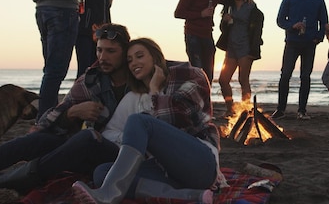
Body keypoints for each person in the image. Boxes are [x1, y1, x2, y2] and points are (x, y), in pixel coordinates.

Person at [0, 24, 132, 193]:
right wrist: (71, 113)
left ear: (126, 52)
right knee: (34, 141)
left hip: (119, 154)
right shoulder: (91, 80)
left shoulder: (141, 79)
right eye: (99, 50)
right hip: (81, 151)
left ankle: (7, 181)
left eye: (111, 51)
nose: (103, 57)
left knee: (87, 137)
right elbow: (48, 120)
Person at [72, 38, 223, 204]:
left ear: (155, 57)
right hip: (163, 169)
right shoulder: (133, 98)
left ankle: (109, 194)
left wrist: (154, 92)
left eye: (139, 56)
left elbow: (175, 118)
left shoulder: (191, 75)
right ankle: (191, 196)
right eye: (129, 60)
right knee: (102, 172)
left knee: (140, 121)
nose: (134, 63)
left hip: (198, 163)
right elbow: (109, 133)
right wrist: (136, 140)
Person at [272, 0, 329, 120]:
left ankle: (302, 111)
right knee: (285, 75)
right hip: (292, 42)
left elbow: (324, 22)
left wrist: (318, 37)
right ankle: (280, 109)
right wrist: (292, 25)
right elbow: (279, 20)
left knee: (305, 76)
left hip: (309, 43)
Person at [216, 0, 264, 117]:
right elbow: (223, 28)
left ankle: (246, 110)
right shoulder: (228, 6)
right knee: (223, 80)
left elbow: (258, 25)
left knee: (243, 80)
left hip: (245, 47)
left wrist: (254, 49)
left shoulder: (251, 7)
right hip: (231, 48)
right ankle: (230, 108)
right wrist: (224, 21)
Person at [174, 0, 225, 83]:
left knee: (209, 73)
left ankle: (207, 98)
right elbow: (178, 13)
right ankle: (196, 98)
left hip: (207, 34)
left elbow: (227, 1)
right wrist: (201, 14)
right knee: (197, 70)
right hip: (193, 35)